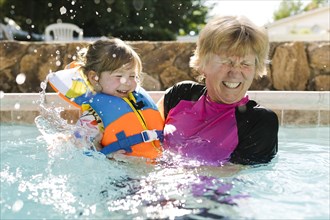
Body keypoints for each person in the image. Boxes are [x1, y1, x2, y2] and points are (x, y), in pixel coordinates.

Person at [157, 16, 278, 166]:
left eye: (245, 64)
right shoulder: (180, 95)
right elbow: (143, 131)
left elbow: (239, 177)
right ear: (203, 63)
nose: (235, 72)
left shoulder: (259, 122)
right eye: (226, 62)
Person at [48, 38, 164, 160]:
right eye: (119, 76)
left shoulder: (137, 99)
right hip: (126, 174)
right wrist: (107, 155)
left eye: (132, 76)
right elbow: (78, 150)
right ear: (94, 78)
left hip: (157, 164)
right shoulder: (94, 116)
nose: (127, 82)